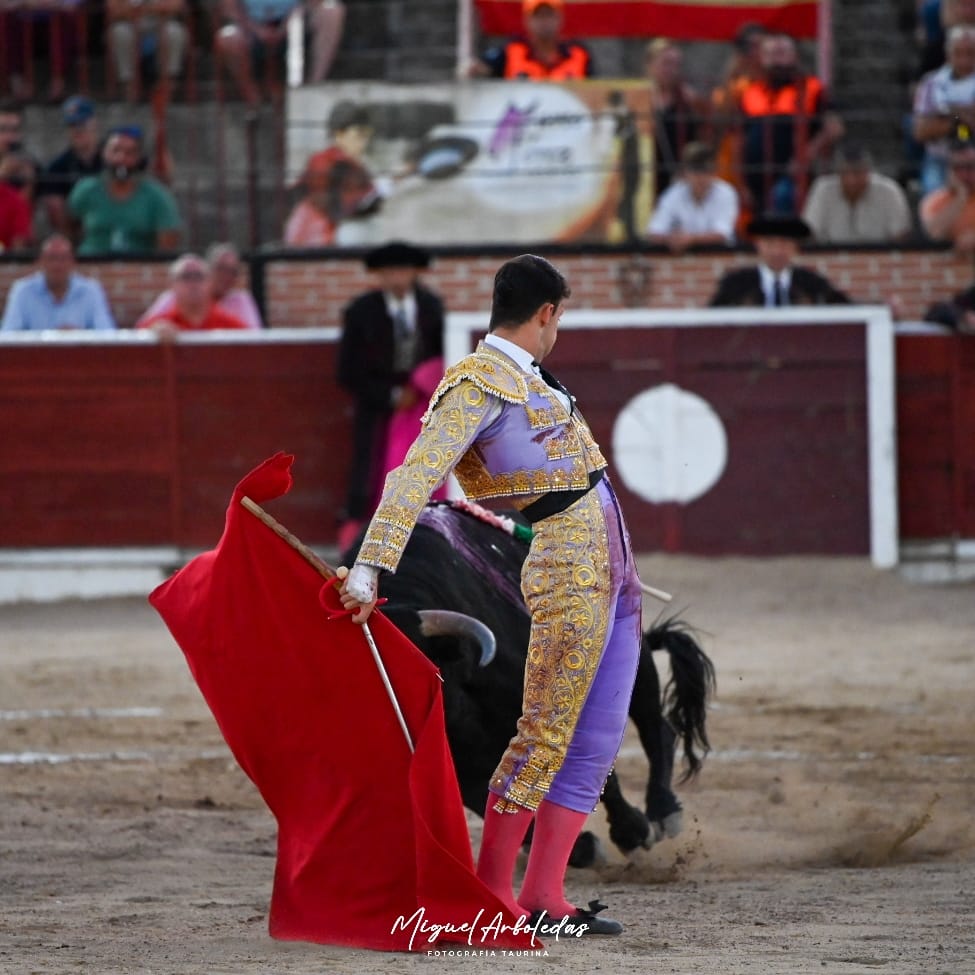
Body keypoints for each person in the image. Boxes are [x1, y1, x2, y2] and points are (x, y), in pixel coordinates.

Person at [338, 254, 642, 936]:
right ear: (546, 313)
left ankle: (545, 895)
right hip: (567, 563)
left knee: (592, 737)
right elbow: (411, 477)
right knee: (542, 730)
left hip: (613, 565)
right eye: (558, 316)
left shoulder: (529, 377)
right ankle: (488, 893)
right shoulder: (476, 383)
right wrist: (369, 568)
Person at [335, 241, 444, 550]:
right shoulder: (361, 311)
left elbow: (442, 357)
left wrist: (421, 387)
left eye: (403, 270)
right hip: (376, 405)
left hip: (422, 405)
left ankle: (425, 532)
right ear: (379, 276)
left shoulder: (431, 307)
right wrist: (390, 396)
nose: (396, 278)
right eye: (389, 271)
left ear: (414, 273)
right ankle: (362, 541)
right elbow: (348, 369)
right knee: (369, 470)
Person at [734, 32, 844, 215]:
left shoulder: (811, 88)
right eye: (771, 53)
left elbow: (834, 128)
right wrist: (740, 182)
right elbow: (738, 137)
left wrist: (806, 156)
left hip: (794, 178)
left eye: (782, 52)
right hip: (756, 180)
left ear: (794, 56)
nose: (776, 59)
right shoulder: (750, 91)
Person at [68, 125, 182, 255]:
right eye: (115, 151)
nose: (121, 158)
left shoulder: (156, 196)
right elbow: (69, 229)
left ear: (139, 157)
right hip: (92, 265)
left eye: (129, 153)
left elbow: (167, 244)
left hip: (138, 268)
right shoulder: (86, 190)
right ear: (104, 153)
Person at [284, 101, 382, 247]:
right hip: (318, 234)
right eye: (359, 136)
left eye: (367, 137)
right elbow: (329, 203)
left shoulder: (358, 167)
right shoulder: (323, 161)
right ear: (339, 134)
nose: (364, 143)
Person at [215, 0, 346, 107]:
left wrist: (291, 20)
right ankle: (254, 102)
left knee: (332, 11)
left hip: (296, 25)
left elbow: (315, 2)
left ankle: (313, 87)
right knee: (227, 37)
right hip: (251, 28)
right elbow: (228, 8)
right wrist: (255, 29)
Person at [709, 212, 851, 306]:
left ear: (795, 248)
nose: (777, 251)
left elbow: (848, 312)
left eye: (784, 244)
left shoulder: (812, 283)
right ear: (758, 246)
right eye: (770, 243)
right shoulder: (736, 283)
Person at [801, 143, 913, 243]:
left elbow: (901, 236)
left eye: (858, 172)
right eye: (845, 172)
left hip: (879, 259)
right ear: (838, 173)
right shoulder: (823, 189)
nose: (852, 180)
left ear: (868, 171)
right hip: (830, 258)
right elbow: (809, 233)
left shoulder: (889, 190)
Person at [1, 234, 116, 331]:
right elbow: (9, 335)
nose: (57, 265)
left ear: (72, 262)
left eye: (63, 259)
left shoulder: (91, 290)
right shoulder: (22, 290)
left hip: (79, 355)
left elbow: (107, 334)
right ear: (41, 262)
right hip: (36, 357)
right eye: (52, 258)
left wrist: (80, 336)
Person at [135, 242, 264, 329]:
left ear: (209, 282)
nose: (193, 284)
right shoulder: (164, 312)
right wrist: (152, 333)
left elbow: (255, 345)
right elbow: (134, 340)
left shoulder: (228, 323)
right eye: (186, 277)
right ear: (171, 284)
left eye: (198, 277)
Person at [911, 24, 975, 195]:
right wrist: (960, 117)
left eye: (970, 53)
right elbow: (921, 131)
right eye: (958, 53)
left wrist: (949, 115)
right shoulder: (931, 84)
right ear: (948, 55)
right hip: (941, 158)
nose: (964, 60)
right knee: (934, 193)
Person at [646, 141, 739, 252]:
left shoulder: (726, 193)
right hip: (682, 261)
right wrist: (672, 239)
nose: (701, 178)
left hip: (719, 257)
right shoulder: (673, 194)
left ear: (714, 172)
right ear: (685, 173)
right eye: (695, 172)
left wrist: (691, 239)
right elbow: (654, 232)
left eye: (706, 171)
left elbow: (722, 234)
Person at [467, 0, 593, 80]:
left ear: (560, 18)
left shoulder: (579, 54)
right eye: (538, 16)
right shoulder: (512, 51)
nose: (544, 22)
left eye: (549, 15)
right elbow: (482, 68)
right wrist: (476, 70)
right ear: (527, 20)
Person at [646, 38, 709, 198]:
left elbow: (701, 138)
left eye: (676, 65)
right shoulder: (639, 101)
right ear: (650, 65)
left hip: (679, 178)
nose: (672, 70)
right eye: (666, 63)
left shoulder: (688, 101)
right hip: (646, 176)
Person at [36, 96, 104, 238]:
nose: (78, 130)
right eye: (72, 125)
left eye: (82, 124)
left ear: (95, 123)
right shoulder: (57, 166)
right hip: (75, 225)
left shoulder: (110, 160)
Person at [106, 0, 189, 103]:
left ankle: (169, 84)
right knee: (119, 32)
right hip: (129, 22)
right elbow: (114, 9)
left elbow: (176, 6)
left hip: (162, 21)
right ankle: (129, 85)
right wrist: (142, 10)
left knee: (175, 32)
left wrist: (146, 8)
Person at [919, 129, 975, 251]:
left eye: (970, 167)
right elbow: (933, 234)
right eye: (958, 168)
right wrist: (961, 197)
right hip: (949, 266)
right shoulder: (935, 200)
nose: (965, 174)